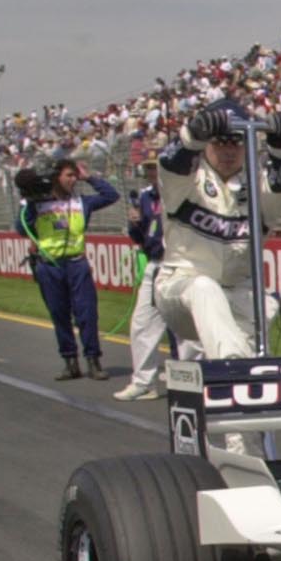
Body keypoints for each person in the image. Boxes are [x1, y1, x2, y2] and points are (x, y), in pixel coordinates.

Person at [155, 99, 281, 360]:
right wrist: (194, 135)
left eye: (235, 141)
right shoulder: (188, 181)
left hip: (237, 292)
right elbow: (170, 165)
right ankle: (233, 369)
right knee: (204, 288)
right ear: (206, 144)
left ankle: (250, 382)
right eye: (219, 141)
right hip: (181, 288)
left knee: (263, 313)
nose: (228, 150)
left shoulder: (256, 184)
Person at [17, 155, 118, 380]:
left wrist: (89, 177)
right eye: (69, 175)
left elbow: (112, 195)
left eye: (74, 175)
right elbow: (21, 229)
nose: (73, 179)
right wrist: (31, 200)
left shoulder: (82, 202)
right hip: (49, 266)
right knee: (59, 314)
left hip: (77, 264)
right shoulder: (38, 203)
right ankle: (70, 362)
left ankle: (93, 360)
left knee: (87, 314)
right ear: (56, 177)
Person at [114, 158, 176, 401]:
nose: (152, 172)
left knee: (186, 330)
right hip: (154, 263)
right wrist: (134, 223)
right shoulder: (146, 197)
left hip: (179, 264)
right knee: (142, 324)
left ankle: (193, 380)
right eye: (149, 168)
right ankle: (143, 382)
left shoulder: (182, 191)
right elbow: (139, 236)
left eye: (156, 167)